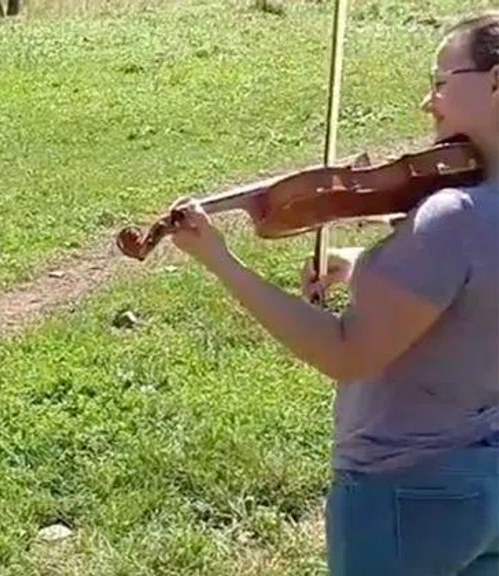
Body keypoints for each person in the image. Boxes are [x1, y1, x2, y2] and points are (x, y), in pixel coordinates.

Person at [166, 10, 499, 576]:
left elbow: (347, 352)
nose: (428, 102)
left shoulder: (453, 216)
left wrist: (223, 263)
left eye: (442, 82)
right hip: (484, 483)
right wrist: (366, 267)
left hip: (403, 489)